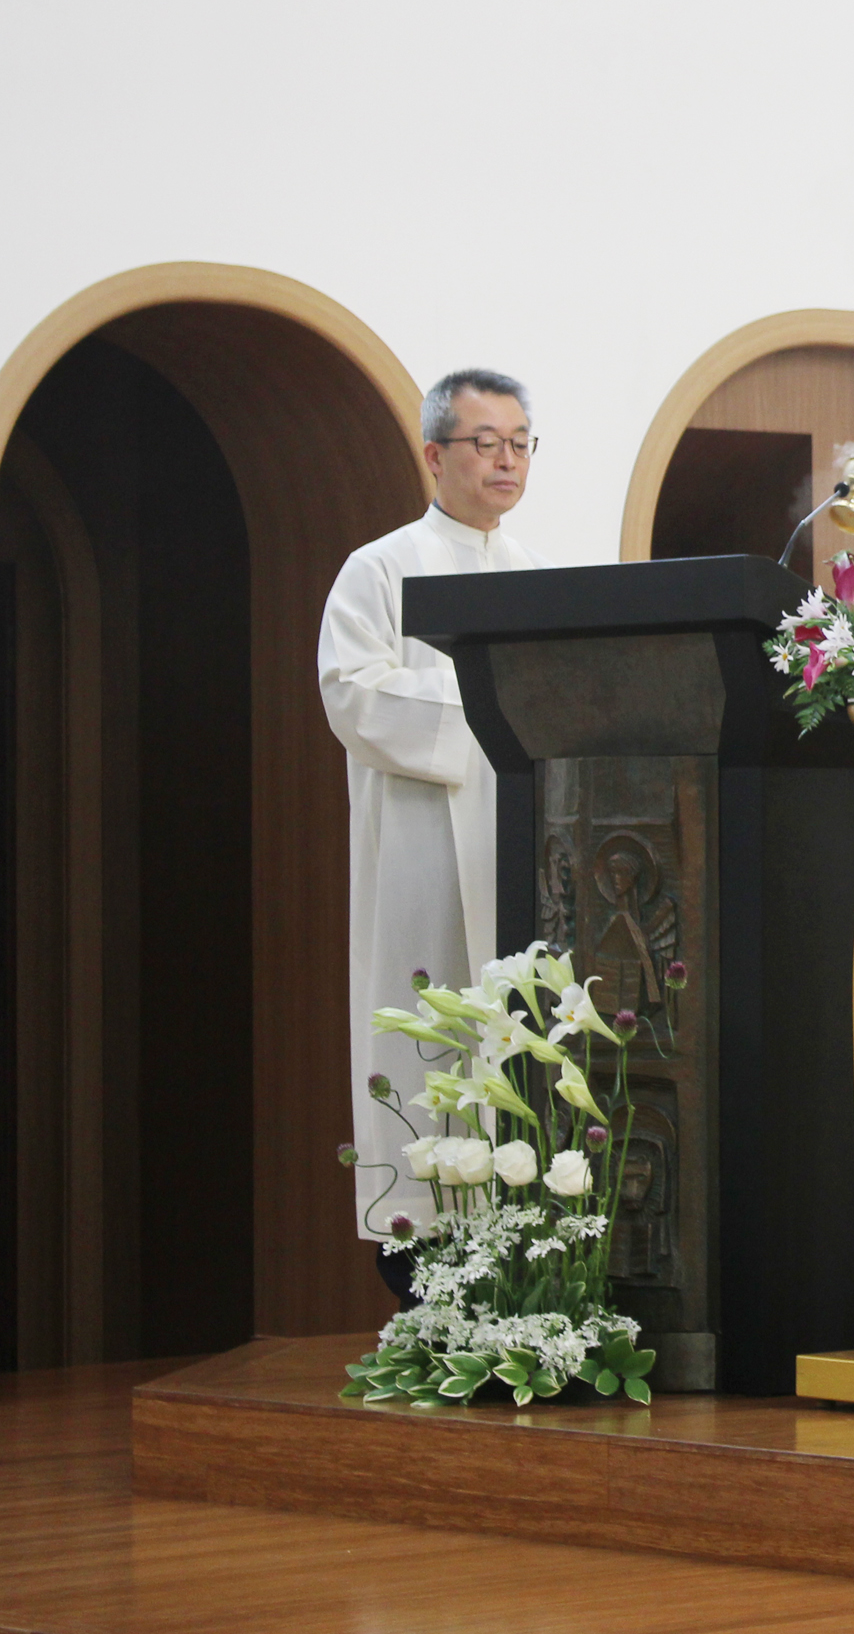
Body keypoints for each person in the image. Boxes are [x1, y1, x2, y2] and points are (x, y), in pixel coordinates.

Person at [319, 369, 546, 1251]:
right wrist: (488, 702)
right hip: (422, 850)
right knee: (428, 1038)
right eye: (485, 443)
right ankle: (422, 1243)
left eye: (520, 444)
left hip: (520, 845)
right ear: (434, 455)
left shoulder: (540, 577)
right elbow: (352, 692)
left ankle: (523, 1237)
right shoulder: (380, 568)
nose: (506, 461)